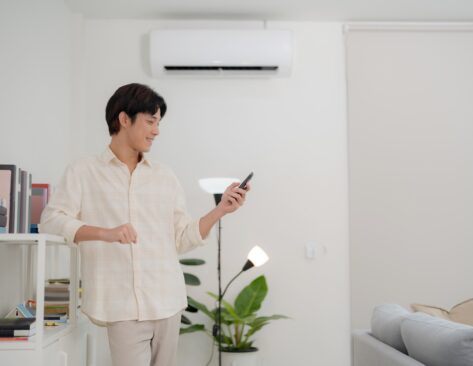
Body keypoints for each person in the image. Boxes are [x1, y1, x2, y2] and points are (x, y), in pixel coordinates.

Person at [39, 83, 249, 366]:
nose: (156, 131)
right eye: (150, 121)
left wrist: (220, 210)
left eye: (158, 123)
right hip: (121, 306)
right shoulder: (83, 172)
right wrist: (104, 233)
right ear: (124, 119)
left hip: (168, 301)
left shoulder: (165, 176)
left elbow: (183, 237)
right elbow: (51, 221)